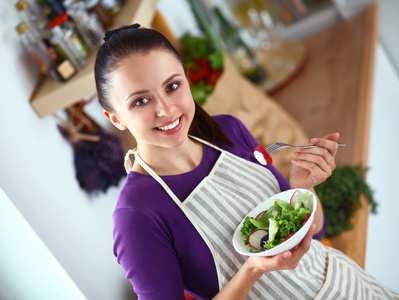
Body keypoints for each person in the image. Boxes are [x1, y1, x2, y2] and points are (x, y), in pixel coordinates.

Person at [94, 24, 399, 300]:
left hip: (350, 287)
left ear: (187, 81)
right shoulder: (137, 216)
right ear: (115, 119)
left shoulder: (228, 131)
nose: (165, 109)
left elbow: (315, 232)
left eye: (172, 86)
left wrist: (303, 190)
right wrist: (253, 270)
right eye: (140, 101)